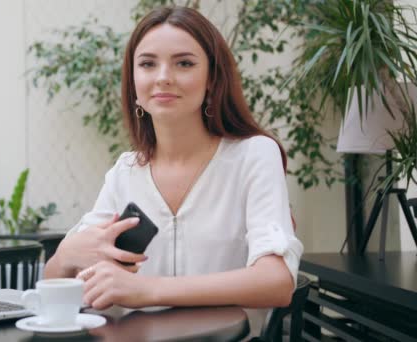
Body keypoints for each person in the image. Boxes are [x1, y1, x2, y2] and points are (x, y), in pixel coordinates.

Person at [44, 5, 303, 322]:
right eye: (148, 64)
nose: (163, 77)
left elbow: (276, 282)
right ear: (134, 83)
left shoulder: (254, 155)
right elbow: (54, 281)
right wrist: (67, 255)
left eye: (184, 63)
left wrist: (147, 290)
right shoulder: (124, 173)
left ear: (211, 79)